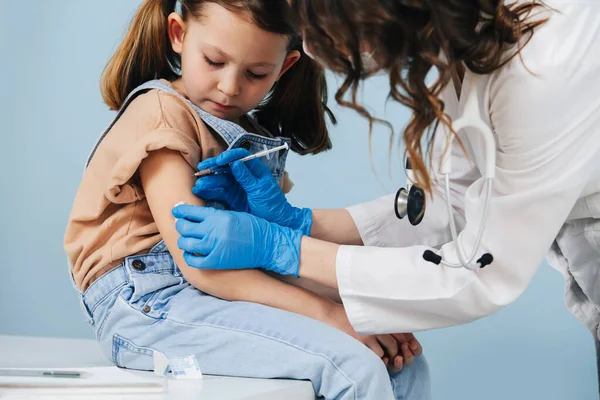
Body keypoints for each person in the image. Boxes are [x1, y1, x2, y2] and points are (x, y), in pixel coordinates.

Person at [172, 0, 600, 392]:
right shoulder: (473, 34)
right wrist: (298, 222)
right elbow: (451, 204)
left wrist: (284, 249)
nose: (317, 52)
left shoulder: (547, 65)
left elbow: (477, 271)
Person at [64, 0, 431, 399]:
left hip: (220, 292)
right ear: (178, 35)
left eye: (256, 73)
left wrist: (357, 310)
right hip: (148, 304)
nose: (230, 87)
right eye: (213, 61)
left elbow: (267, 252)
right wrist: (330, 313)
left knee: (400, 364)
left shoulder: (242, 129)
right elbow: (199, 266)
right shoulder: (162, 113)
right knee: (350, 367)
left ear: (285, 66)